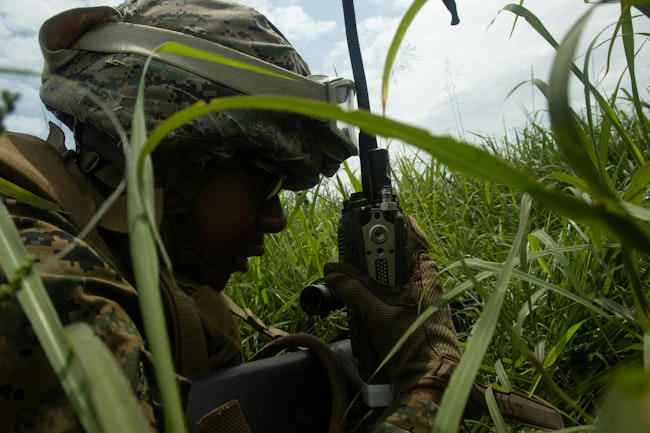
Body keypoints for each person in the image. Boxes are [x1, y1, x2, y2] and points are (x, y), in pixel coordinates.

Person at [0, 1, 463, 432]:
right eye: (266, 182)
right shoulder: (40, 285)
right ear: (167, 153)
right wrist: (430, 389)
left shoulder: (140, 278)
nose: (276, 218)